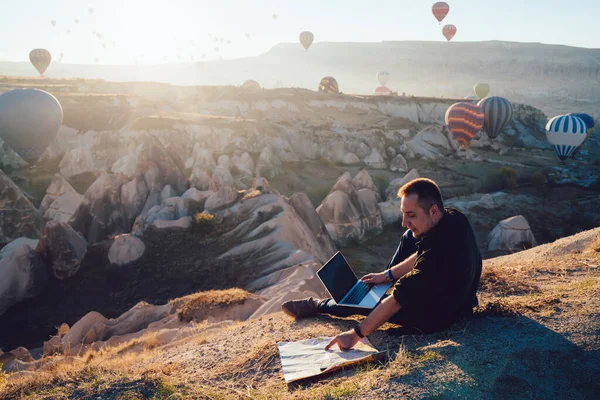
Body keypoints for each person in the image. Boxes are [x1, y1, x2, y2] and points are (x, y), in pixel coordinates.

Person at [281, 178, 482, 351]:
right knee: (409, 236)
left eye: (411, 215)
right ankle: (376, 288)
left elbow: (395, 301)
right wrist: (387, 275)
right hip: (460, 297)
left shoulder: (433, 263)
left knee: (362, 302)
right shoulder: (454, 217)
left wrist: (355, 334)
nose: (404, 221)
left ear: (434, 211)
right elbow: (422, 253)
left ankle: (317, 305)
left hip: (437, 315)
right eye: (404, 213)